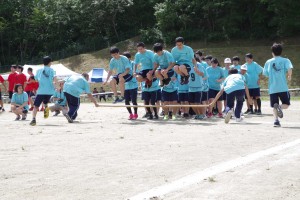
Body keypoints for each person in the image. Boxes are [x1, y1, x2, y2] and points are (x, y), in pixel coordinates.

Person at [263, 43, 293, 127]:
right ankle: (280, 107)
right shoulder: (285, 60)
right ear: (281, 51)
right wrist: (289, 76)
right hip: (282, 87)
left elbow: (265, 74)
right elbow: (290, 69)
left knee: (274, 106)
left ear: (272, 52)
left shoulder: (268, 62)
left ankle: (276, 121)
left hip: (272, 88)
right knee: (286, 105)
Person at [30, 56, 57, 126]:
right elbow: (55, 79)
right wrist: (57, 86)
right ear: (50, 62)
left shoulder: (39, 70)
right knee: (45, 102)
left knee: (36, 106)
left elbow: (36, 79)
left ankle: (33, 119)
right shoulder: (52, 70)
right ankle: (46, 108)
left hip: (41, 91)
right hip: (50, 91)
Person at [123, 51, 138, 120]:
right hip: (126, 86)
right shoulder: (123, 65)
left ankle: (135, 113)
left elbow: (136, 72)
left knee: (134, 101)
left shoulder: (133, 63)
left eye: (127, 58)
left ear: (129, 58)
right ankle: (130, 114)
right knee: (126, 101)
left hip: (133, 85)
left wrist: (134, 74)